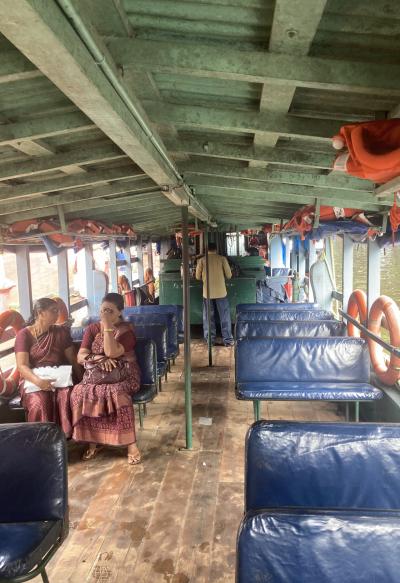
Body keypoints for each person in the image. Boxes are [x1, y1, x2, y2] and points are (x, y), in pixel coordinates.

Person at [70, 293, 142, 464]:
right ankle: (93, 442)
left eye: (110, 311)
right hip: (97, 375)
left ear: (120, 312)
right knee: (80, 391)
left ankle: (131, 445)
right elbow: (80, 356)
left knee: (117, 394)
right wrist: (99, 359)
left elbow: (112, 352)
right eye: (102, 310)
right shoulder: (92, 329)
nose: (104, 314)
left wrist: (108, 326)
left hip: (124, 375)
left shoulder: (126, 331)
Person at [15, 297, 79, 437]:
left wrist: (81, 380)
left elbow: (73, 359)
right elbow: (22, 365)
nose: (57, 314)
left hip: (59, 377)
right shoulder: (24, 335)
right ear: (40, 313)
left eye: (58, 311)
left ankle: (63, 438)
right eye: (53, 311)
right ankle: (42, 439)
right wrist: (39, 382)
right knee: (40, 401)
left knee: (65, 395)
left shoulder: (61, 332)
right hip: (32, 379)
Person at [195, 242, 234, 346]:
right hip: (221, 292)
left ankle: (210, 340)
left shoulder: (201, 260)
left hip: (207, 293)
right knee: (224, 316)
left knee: (208, 317)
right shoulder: (222, 259)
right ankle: (228, 340)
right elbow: (229, 275)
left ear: (206, 250)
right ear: (216, 249)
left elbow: (197, 277)